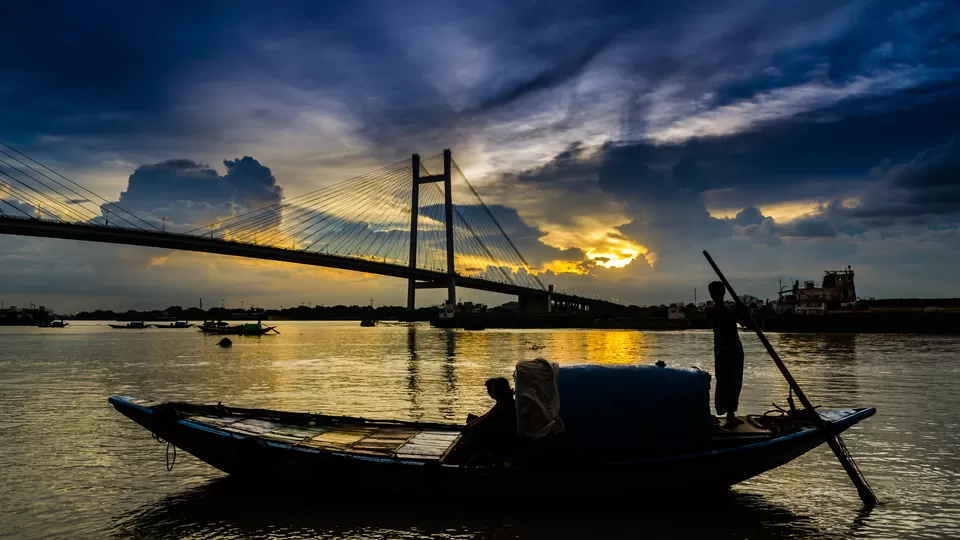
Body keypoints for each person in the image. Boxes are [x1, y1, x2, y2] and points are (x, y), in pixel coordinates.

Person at [705, 281, 747, 428]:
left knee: (736, 380)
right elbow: (719, 323)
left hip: (735, 346)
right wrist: (735, 311)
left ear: (723, 293)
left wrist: (744, 311)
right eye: (712, 293)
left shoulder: (732, 309)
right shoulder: (709, 310)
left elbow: (745, 323)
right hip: (722, 348)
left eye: (717, 292)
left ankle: (731, 414)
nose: (714, 295)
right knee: (723, 379)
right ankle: (723, 410)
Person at [464, 377, 517, 455]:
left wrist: (471, 425)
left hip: (502, 441)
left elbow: (487, 419)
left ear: (497, 390)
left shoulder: (503, 405)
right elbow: (486, 418)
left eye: (491, 389)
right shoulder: (505, 402)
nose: (489, 392)